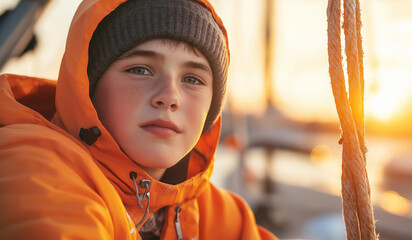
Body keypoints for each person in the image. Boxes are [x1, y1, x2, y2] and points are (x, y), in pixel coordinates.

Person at [0, 0, 278, 239]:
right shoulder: (37, 170)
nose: (169, 97)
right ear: (87, 86)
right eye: (140, 70)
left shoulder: (210, 211)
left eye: (192, 79)